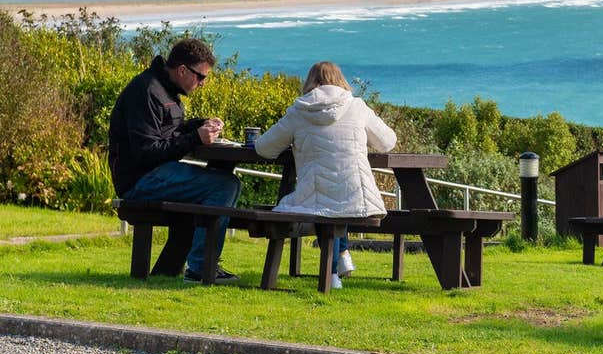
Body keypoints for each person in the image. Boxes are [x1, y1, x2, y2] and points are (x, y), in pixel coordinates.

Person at [109, 38, 241, 283]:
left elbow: (171, 132)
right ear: (182, 70)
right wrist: (195, 138)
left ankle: (196, 264)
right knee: (225, 185)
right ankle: (201, 266)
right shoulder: (147, 91)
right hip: (141, 180)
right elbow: (147, 151)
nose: (202, 84)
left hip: (156, 173)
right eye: (201, 77)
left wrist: (198, 125)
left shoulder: (166, 90)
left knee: (225, 182)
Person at [255, 61, 396, 289]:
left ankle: (334, 272)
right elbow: (388, 142)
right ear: (340, 81)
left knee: (322, 197)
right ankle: (341, 258)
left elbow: (264, 148)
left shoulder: (299, 111)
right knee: (339, 194)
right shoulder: (357, 107)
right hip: (357, 196)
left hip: (315, 195)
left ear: (311, 82)